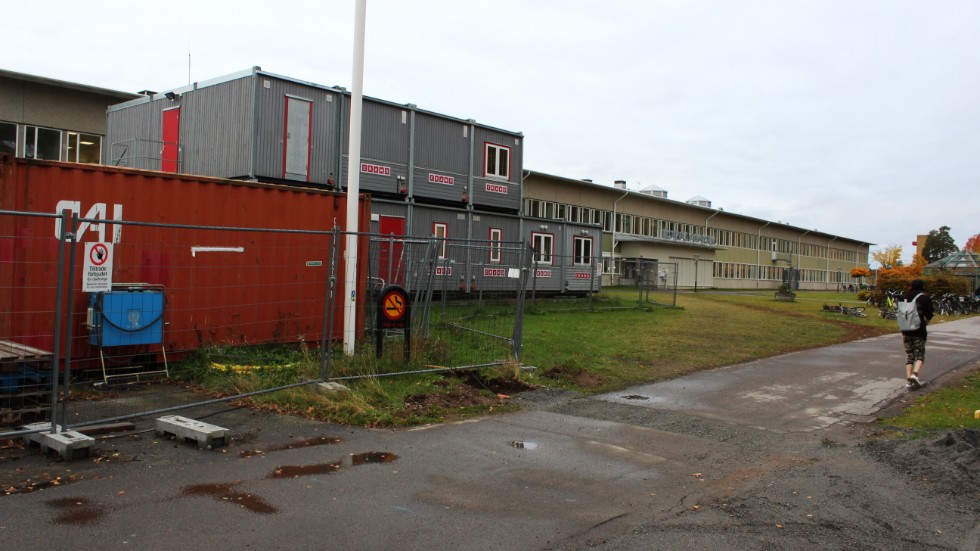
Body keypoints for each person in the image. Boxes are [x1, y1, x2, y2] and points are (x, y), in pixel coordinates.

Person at [901, 279, 934, 389]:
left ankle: (908, 380)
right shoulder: (924, 298)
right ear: (922, 286)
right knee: (919, 354)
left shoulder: (904, 296)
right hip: (919, 330)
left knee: (909, 355)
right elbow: (929, 314)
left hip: (905, 329)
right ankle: (915, 374)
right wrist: (925, 323)